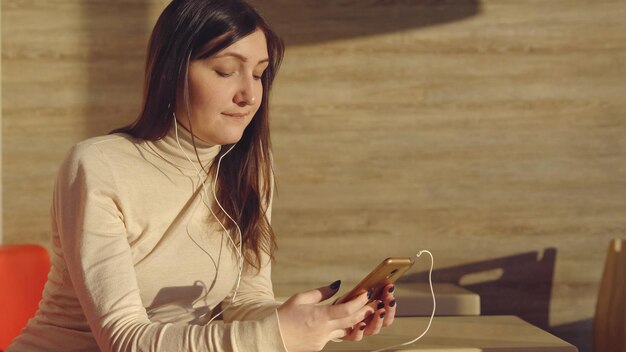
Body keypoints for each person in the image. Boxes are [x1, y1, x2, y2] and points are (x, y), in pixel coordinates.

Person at [7, 0, 397, 351]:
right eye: (227, 70)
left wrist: (319, 322)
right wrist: (277, 335)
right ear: (172, 71)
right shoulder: (97, 167)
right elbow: (123, 339)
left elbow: (242, 303)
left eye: (259, 74)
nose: (249, 94)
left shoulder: (250, 171)